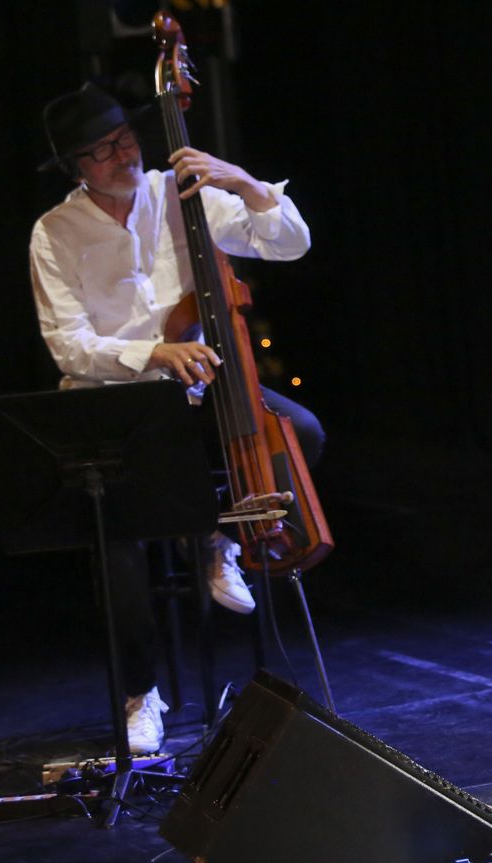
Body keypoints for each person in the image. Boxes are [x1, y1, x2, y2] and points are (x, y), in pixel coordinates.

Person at [29, 82, 322, 752]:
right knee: (117, 540)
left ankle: (217, 534)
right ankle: (141, 693)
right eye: (102, 150)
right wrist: (152, 352)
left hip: (198, 389)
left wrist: (246, 184)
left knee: (300, 433)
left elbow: (289, 244)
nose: (122, 154)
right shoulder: (54, 232)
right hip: (114, 399)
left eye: (125, 139)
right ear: (76, 166)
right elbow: (68, 344)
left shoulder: (178, 193)